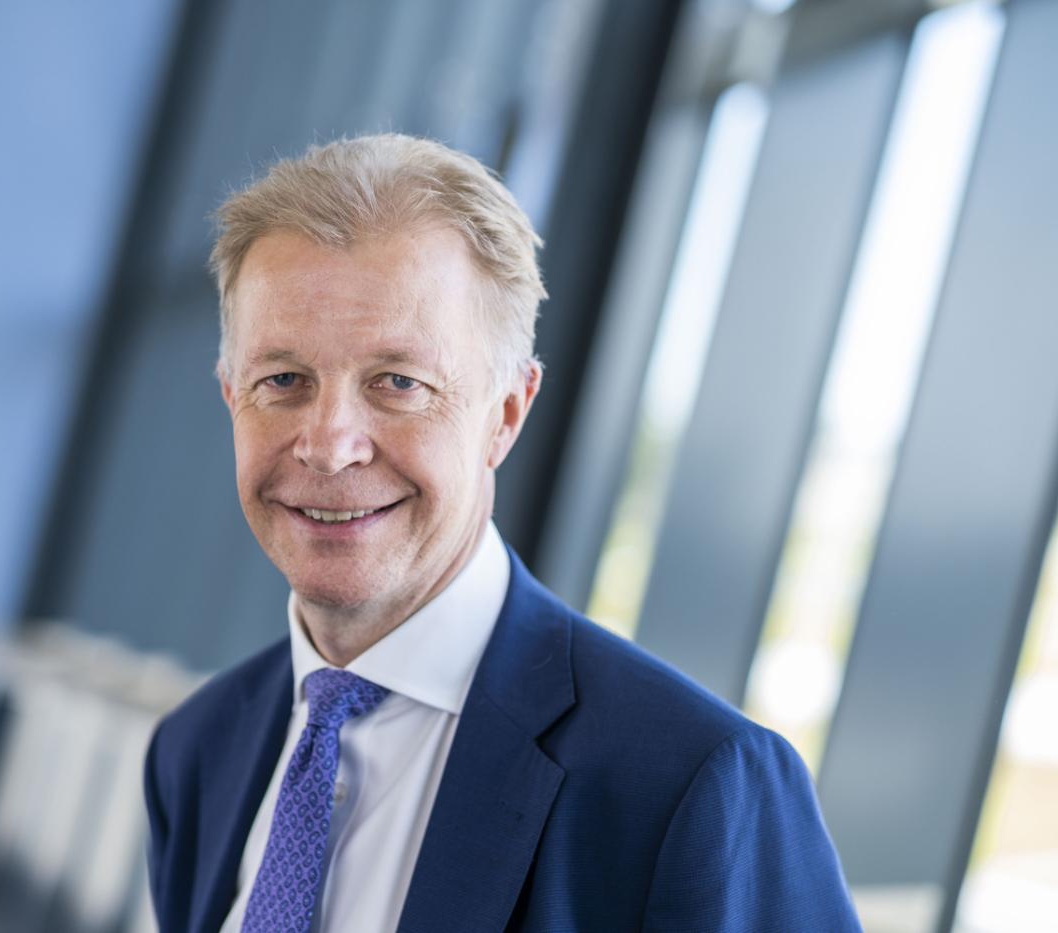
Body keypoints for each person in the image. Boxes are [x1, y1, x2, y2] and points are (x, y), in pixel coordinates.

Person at [143, 134, 861, 932]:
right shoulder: (196, 751)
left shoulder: (692, 784)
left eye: (398, 383)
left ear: (506, 415)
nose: (330, 442)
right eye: (283, 380)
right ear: (229, 396)